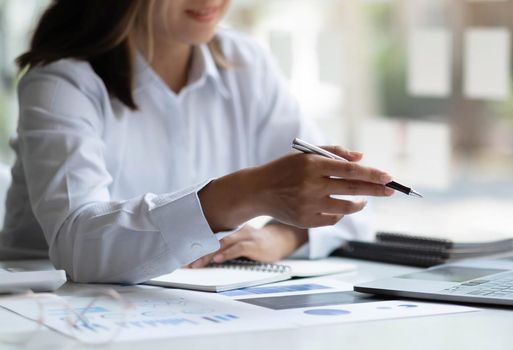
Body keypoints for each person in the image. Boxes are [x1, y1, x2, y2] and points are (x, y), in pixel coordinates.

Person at [0, 0, 394, 283]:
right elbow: (78, 247)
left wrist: (282, 235)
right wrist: (243, 194)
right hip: (52, 310)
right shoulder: (63, 83)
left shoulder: (246, 64)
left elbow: (349, 201)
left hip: (196, 309)